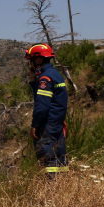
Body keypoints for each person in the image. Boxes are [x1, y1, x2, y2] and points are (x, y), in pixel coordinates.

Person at [26, 43, 69, 175]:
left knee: (48, 160)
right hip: (57, 123)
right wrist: (34, 80)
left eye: (31, 60)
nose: (30, 64)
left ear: (38, 60)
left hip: (47, 126)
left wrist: (35, 125)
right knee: (60, 160)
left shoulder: (45, 78)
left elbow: (42, 106)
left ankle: (51, 188)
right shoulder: (55, 74)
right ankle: (64, 187)